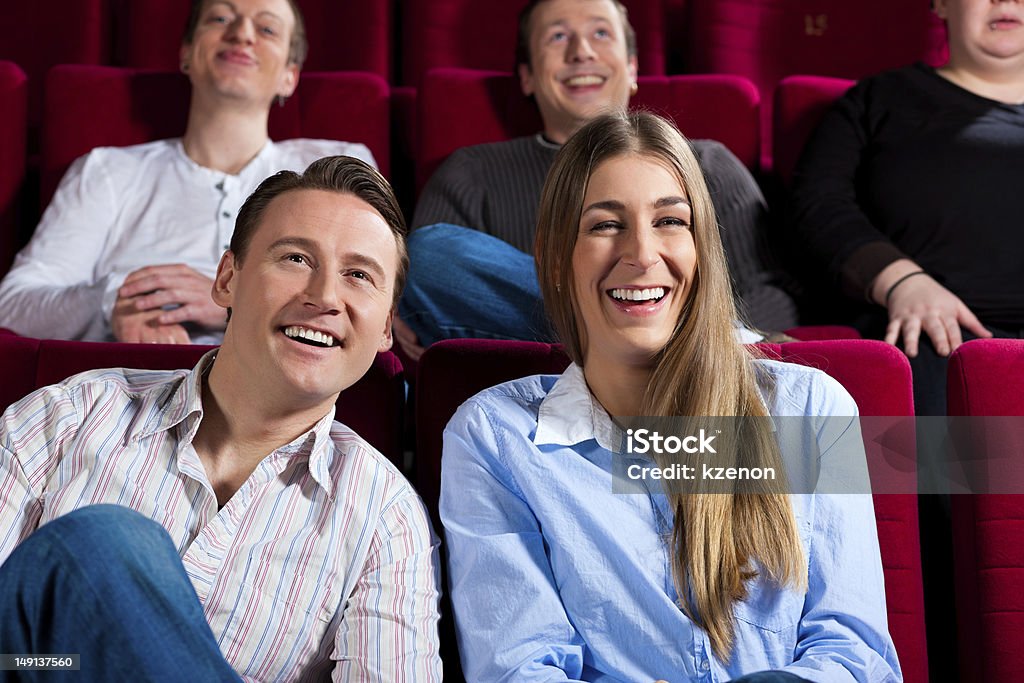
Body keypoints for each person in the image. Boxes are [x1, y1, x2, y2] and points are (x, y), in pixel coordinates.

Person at [440, 112, 901, 682]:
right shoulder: (494, 437)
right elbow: (520, 670)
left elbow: (856, 657)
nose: (641, 253)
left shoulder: (811, 410)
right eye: (605, 225)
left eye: (669, 221)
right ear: (556, 257)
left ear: (701, 248)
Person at [0, 156, 441, 681]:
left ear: (386, 329)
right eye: (297, 259)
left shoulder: (386, 517)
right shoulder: (63, 419)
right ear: (227, 280)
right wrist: (76, 662)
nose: (324, 296)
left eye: (359, 275)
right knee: (105, 542)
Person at [396, 0, 798, 360]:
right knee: (427, 252)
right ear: (528, 78)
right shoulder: (471, 170)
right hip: (533, 366)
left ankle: (664, 345)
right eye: (557, 37)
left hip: (698, 365)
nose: (581, 51)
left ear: (633, 67)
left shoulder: (707, 162)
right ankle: (660, 346)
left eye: (601, 34)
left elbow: (772, 294)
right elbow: (425, 284)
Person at [0, 0, 375, 345]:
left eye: (267, 29)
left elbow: (373, 300)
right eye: (221, 18)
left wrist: (235, 304)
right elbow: (13, 304)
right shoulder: (107, 171)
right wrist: (117, 300)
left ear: (290, 76)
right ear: (186, 54)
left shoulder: (337, 167)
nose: (242, 34)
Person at [785, 0, 1024, 416]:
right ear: (942, 5)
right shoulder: (878, 101)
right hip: (928, 335)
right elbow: (818, 204)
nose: (1007, 0)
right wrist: (901, 282)